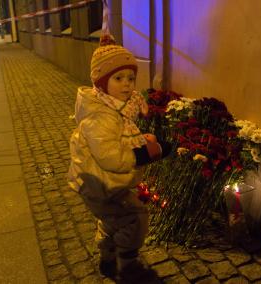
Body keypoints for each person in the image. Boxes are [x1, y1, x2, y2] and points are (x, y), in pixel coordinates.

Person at [67, 34, 170, 283]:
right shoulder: (100, 116)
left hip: (102, 182)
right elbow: (111, 157)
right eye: (118, 78)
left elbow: (118, 138)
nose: (127, 85)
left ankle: (106, 252)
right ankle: (127, 266)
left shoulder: (114, 107)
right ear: (101, 82)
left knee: (112, 219)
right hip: (99, 184)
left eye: (131, 78)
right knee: (136, 218)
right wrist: (147, 153)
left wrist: (140, 140)